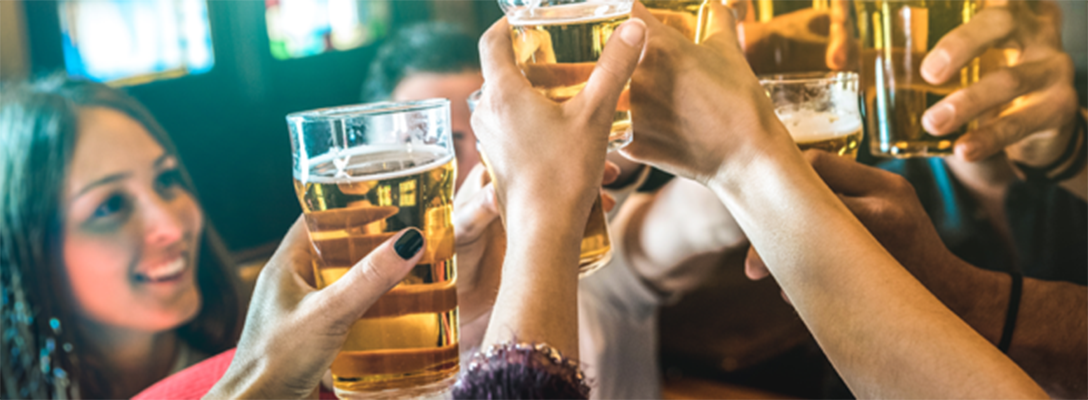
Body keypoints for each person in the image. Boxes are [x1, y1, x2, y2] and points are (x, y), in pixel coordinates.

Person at [0, 76, 242, 399]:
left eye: (166, 179)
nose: (170, 225)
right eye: (110, 205)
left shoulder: (281, 364)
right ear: (25, 251)